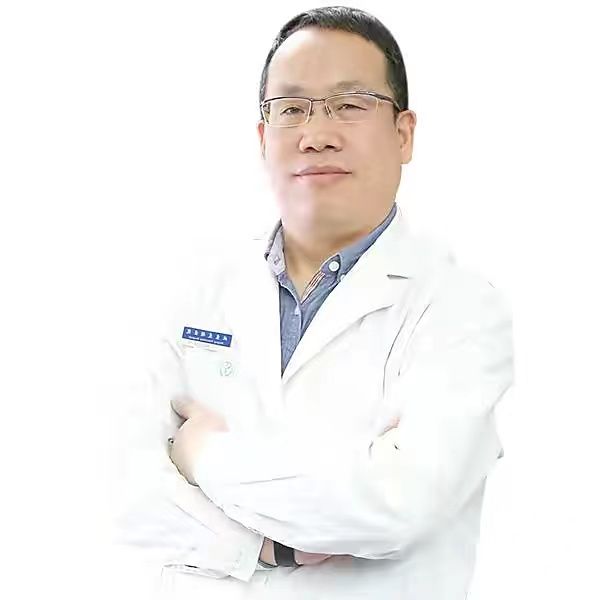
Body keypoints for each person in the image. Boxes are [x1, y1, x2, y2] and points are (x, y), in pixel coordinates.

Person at [117, 6, 513, 599]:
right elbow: (119, 486)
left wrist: (204, 455)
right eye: (292, 108)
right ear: (262, 137)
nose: (317, 133)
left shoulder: (460, 310)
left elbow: (395, 505)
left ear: (403, 134)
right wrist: (267, 549)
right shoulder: (191, 290)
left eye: (349, 104)